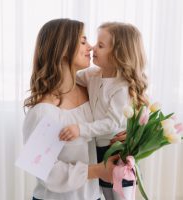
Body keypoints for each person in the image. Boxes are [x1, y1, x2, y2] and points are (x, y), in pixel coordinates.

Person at [23, 18, 118, 200]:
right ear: (63, 49)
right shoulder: (43, 111)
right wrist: (97, 171)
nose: (90, 47)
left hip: (94, 196)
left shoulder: (90, 92)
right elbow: (45, 171)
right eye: (83, 41)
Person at [59, 22, 149, 200]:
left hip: (117, 152)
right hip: (98, 152)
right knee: (104, 193)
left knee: (120, 194)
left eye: (100, 45)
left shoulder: (122, 86)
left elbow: (111, 124)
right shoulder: (93, 75)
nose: (92, 47)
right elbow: (68, 76)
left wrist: (80, 129)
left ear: (118, 55)